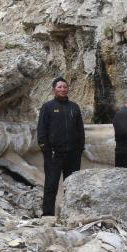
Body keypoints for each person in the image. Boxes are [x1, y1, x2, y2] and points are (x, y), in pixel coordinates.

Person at [37, 77, 85, 217]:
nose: (63, 89)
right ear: (54, 90)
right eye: (60, 87)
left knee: (72, 185)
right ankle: (48, 215)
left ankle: (70, 214)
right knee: (51, 184)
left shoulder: (74, 107)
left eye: (65, 87)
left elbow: (80, 129)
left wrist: (80, 148)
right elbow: (42, 129)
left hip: (73, 154)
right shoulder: (47, 107)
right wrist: (45, 149)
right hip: (54, 154)